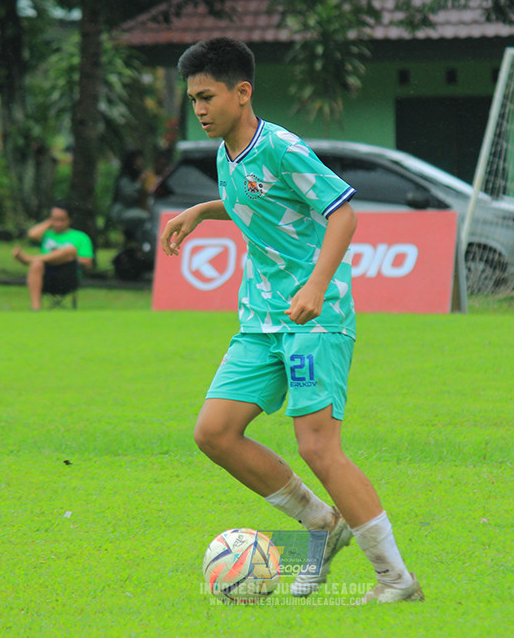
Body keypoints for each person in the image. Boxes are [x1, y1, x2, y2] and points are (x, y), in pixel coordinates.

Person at [160, 37, 423, 604]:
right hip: (260, 318)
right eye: (193, 100)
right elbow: (254, 203)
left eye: (207, 97)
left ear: (242, 92)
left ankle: (395, 579)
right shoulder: (226, 153)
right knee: (214, 432)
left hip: (314, 317)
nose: (198, 109)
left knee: (318, 446)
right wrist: (202, 211)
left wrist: (315, 286)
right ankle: (322, 524)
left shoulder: (282, 146)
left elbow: (343, 216)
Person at [12, 201, 94, 311]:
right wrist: (49, 223)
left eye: (62, 220)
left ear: (70, 220)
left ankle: (29, 259)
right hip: (46, 277)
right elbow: (32, 234)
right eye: (55, 219)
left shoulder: (80, 237)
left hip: (67, 277)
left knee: (70, 250)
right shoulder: (47, 234)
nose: (58, 223)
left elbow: (88, 263)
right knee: (37, 264)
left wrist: (62, 256)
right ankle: (36, 308)